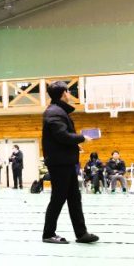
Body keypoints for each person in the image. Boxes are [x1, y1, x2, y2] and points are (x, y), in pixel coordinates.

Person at [41, 80, 99, 244]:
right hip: (60, 163)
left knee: (74, 198)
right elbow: (62, 135)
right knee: (58, 198)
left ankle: (81, 233)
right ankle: (48, 233)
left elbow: (59, 137)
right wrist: (81, 138)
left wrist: (74, 144)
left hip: (65, 161)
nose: (69, 94)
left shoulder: (57, 111)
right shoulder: (55, 112)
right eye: (68, 91)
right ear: (63, 93)